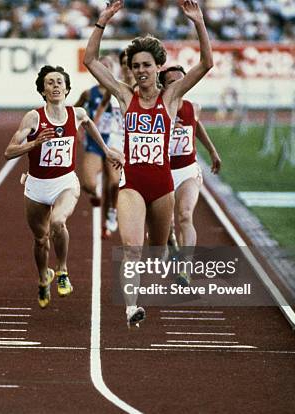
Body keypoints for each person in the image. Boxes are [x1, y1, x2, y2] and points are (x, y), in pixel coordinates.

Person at [84, 0, 213, 327]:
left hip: (162, 185)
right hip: (132, 185)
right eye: (136, 65)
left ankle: (169, 251)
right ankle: (132, 308)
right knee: (131, 250)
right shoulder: (125, 97)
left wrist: (198, 22)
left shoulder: (171, 98)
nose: (140, 71)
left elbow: (206, 63)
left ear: (158, 68)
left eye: (146, 65)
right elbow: (90, 60)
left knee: (155, 253)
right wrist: (102, 21)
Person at [4, 65, 123, 309]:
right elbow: (8, 152)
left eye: (60, 82)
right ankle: (42, 277)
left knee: (58, 222)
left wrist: (107, 150)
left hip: (65, 182)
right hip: (36, 185)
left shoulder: (76, 114)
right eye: (50, 82)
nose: (56, 85)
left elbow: (89, 124)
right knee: (40, 240)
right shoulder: (34, 117)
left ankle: (62, 270)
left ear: (67, 89)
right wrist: (34, 143)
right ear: (43, 90)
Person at [159, 65, 222, 285]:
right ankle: (172, 244)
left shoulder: (193, 106)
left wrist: (212, 151)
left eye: (181, 80)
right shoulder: (157, 109)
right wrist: (165, 127)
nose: (178, 85)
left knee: (185, 214)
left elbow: (197, 125)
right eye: (172, 81)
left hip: (187, 170)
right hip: (162, 172)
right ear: (163, 86)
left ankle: (185, 268)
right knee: (165, 223)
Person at [73, 55, 120, 238]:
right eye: (102, 65)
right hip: (94, 142)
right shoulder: (88, 93)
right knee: (89, 184)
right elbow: (74, 111)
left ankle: (111, 213)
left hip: (114, 141)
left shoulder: (119, 92)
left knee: (114, 182)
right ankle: (95, 193)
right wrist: (77, 131)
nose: (106, 68)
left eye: (109, 65)